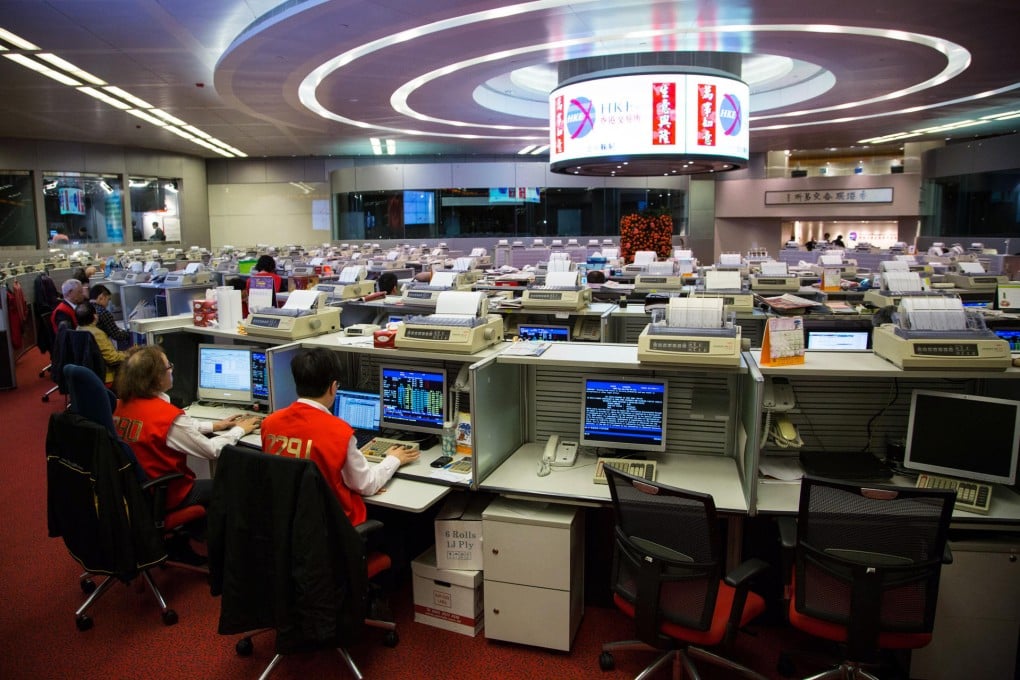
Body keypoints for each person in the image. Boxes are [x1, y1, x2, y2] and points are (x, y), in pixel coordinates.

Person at [260, 347, 419, 527]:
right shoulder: (339, 432)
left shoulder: (270, 423)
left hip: (284, 525)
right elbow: (366, 485)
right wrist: (393, 460)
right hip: (333, 532)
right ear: (333, 386)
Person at [113, 346, 260, 513]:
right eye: (169, 366)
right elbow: (211, 450)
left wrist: (215, 426)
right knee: (233, 486)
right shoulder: (164, 417)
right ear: (157, 378)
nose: (172, 370)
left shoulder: (120, 406)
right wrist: (239, 430)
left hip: (136, 495)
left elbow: (177, 429)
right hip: (168, 496)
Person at [74, 302, 127, 385]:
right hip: (106, 377)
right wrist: (130, 354)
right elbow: (112, 359)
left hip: (90, 375)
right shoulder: (96, 333)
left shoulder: (78, 329)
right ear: (95, 316)